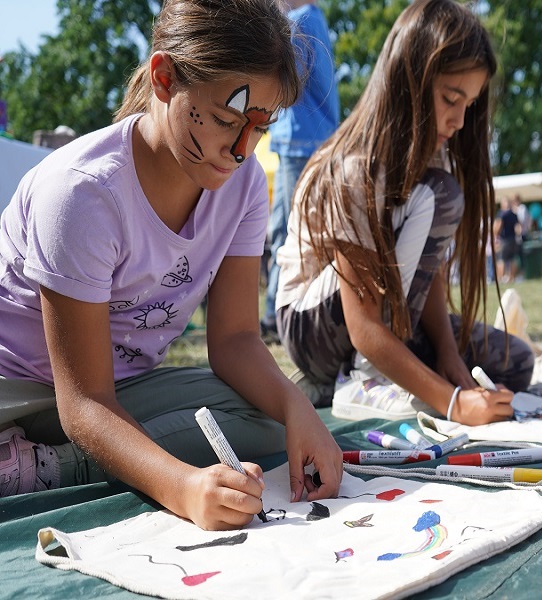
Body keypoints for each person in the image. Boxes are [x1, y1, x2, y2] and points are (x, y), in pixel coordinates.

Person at [0, 0, 342, 530]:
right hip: (22, 395)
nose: (240, 150)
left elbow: (235, 341)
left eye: (261, 127)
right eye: (226, 120)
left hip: (118, 392)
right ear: (164, 79)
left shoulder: (244, 184)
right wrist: (181, 487)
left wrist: (298, 410)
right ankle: (43, 468)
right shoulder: (82, 193)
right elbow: (83, 403)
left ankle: (63, 460)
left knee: (272, 419)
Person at [275, 0, 534, 426]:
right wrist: (453, 404)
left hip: (385, 313)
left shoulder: (434, 155)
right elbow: (363, 325)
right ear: (408, 80)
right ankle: (364, 379)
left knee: (517, 362)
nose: (460, 120)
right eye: (451, 99)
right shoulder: (356, 167)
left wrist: (449, 356)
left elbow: (425, 273)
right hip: (315, 329)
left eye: (469, 104)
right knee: (442, 196)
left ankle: (378, 370)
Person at [260, 0, 340, 343]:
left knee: (293, 233)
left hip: (301, 141)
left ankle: (284, 313)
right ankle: (275, 313)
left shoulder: (299, 20)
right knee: (284, 229)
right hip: (304, 139)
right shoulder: (313, 18)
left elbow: (281, 81)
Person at [494, 197, 521, 283]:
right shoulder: (514, 214)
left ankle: (500, 279)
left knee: (501, 259)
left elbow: (499, 225)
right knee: (512, 259)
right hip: (513, 239)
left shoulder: (502, 214)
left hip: (504, 240)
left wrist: (495, 236)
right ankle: (512, 278)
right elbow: (518, 227)